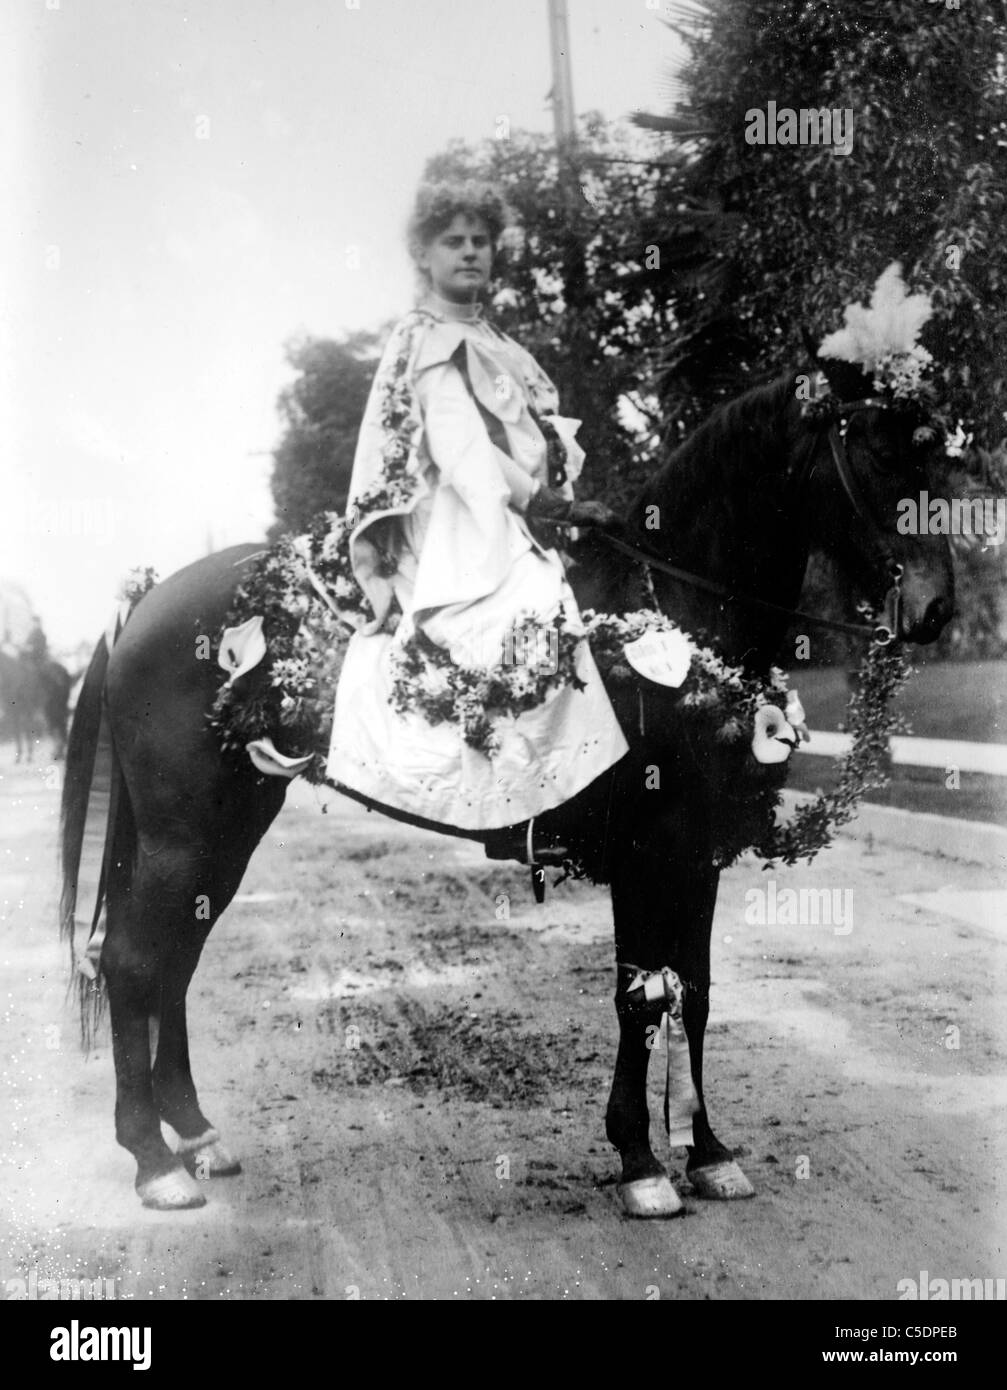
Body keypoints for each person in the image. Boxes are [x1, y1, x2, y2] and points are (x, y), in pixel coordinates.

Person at [326, 181, 629, 862]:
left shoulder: (487, 335)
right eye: (452, 242)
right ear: (423, 255)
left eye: (479, 241)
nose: (469, 252)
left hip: (501, 503)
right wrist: (541, 503)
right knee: (525, 607)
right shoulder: (428, 337)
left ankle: (574, 794)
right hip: (455, 514)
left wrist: (551, 495)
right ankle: (520, 816)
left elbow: (515, 440)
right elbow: (460, 446)